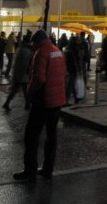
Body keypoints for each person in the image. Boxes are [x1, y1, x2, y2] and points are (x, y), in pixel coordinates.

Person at [14, 29, 66, 181]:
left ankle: (30, 171)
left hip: (43, 100)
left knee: (31, 136)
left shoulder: (41, 53)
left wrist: (29, 91)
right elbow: (63, 74)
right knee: (51, 136)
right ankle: (47, 169)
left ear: (37, 42)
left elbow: (39, 78)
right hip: (57, 101)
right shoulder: (57, 51)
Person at [4, 34, 33, 111]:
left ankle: (26, 104)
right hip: (22, 74)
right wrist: (28, 71)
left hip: (18, 73)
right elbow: (26, 63)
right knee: (21, 89)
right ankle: (26, 104)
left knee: (21, 89)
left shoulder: (20, 48)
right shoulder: (27, 51)